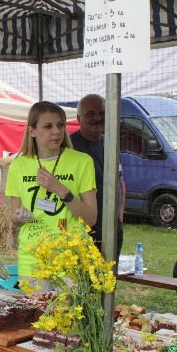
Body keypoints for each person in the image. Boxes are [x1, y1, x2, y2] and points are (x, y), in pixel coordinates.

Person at [4, 101, 97, 352]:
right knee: (40, 333)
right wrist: (19, 216)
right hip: (33, 258)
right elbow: (13, 215)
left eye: (60, 125)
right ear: (32, 131)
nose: (56, 132)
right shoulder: (19, 166)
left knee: (70, 333)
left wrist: (61, 190)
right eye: (48, 126)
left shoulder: (80, 161)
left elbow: (91, 217)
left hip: (70, 258)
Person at [70, 94, 125, 261]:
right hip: (83, 231)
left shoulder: (111, 144)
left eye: (102, 113)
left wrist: (119, 215)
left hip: (112, 229)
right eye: (90, 113)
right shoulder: (69, 146)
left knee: (110, 274)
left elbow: (120, 182)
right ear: (79, 118)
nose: (97, 118)